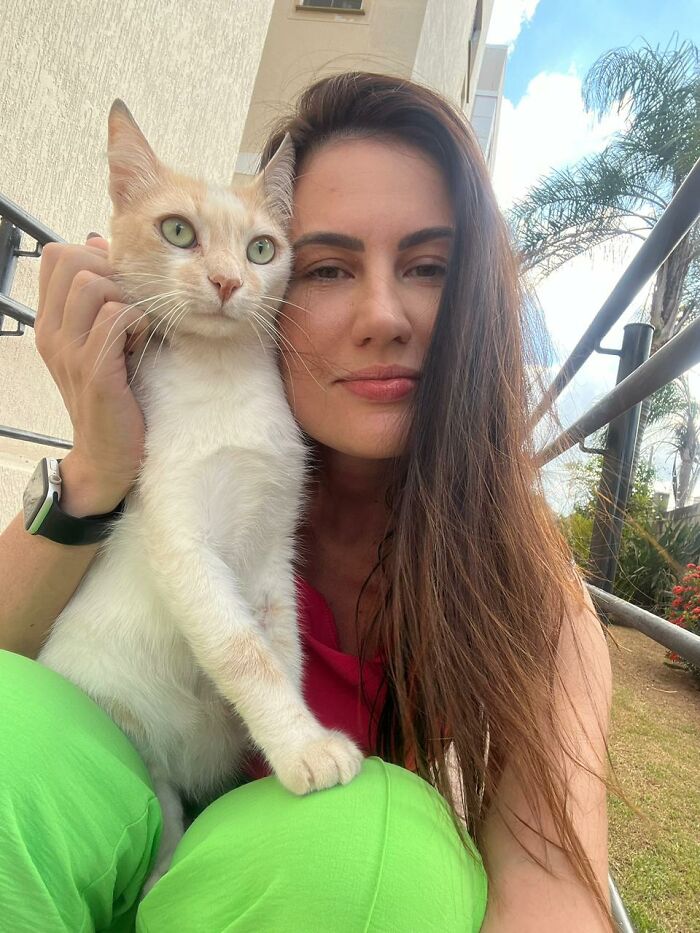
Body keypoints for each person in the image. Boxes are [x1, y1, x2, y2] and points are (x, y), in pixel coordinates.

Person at [0, 72, 613, 931]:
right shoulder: (194, 435)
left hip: (276, 896)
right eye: (327, 266)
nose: (382, 316)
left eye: (429, 266)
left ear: (476, 298)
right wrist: (99, 467)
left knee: (372, 847)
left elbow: (557, 890)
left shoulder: (529, 595)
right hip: (101, 834)